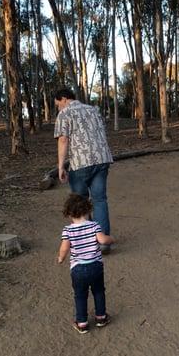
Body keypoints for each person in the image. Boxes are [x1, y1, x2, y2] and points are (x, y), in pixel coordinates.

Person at [54, 88, 114, 253]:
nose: (58, 108)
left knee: (79, 201)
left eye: (58, 104)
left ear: (64, 99)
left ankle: (84, 241)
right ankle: (102, 242)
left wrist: (60, 166)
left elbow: (63, 139)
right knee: (99, 200)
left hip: (80, 162)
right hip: (102, 159)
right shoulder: (93, 110)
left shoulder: (65, 114)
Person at [57, 193, 115, 334]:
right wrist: (110, 239)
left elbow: (64, 247)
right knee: (99, 291)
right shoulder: (94, 226)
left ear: (69, 213)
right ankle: (101, 317)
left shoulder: (68, 230)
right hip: (95, 266)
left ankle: (82, 322)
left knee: (80, 295)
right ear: (88, 210)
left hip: (78, 268)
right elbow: (102, 240)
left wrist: (60, 258)